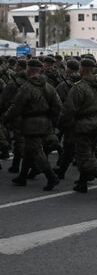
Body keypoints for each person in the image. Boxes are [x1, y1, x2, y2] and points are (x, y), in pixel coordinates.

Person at [59, 57, 97, 197]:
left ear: (82, 69)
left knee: (83, 155)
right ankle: (82, 183)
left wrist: (63, 125)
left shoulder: (79, 87)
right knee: (88, 151)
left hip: (83, 124)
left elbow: (69, 109)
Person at [2, 59, 62, 190]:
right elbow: (57, 106)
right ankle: (22, 176)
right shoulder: (48, 87)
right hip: (45, 122)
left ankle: (51, 177)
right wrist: (50, 118)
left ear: (29, 70)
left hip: (31, 123)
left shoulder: (27, 87)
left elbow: (16, 106)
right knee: (29, 150)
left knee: (35, 151)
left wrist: (5, 118)